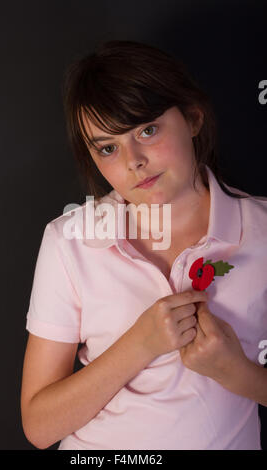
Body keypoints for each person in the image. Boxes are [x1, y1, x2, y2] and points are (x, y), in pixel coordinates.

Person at [20, 40, 267, 450]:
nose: (133, 160)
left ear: (192, 118)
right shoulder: (70, 241)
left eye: (147, 130)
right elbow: (40, 427)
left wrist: (235, 372)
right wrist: (140, 344)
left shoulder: (260, 231)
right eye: (108, 147)